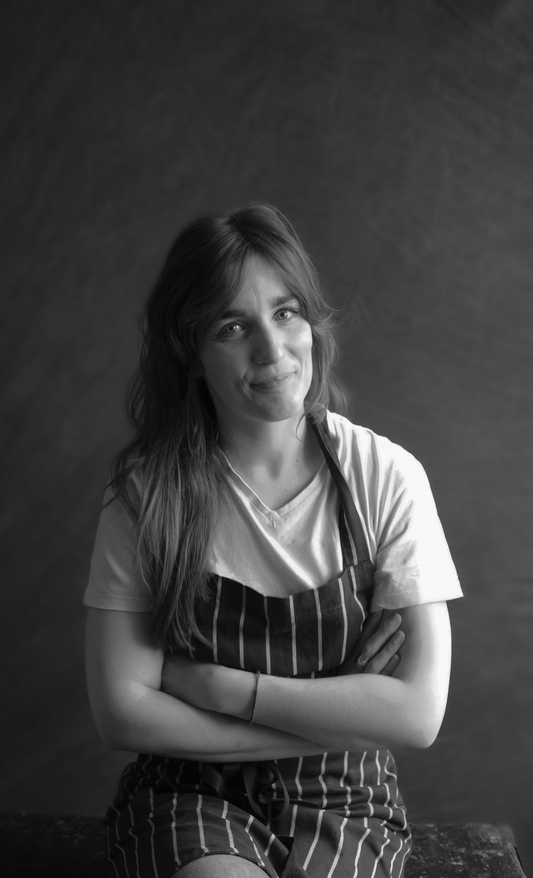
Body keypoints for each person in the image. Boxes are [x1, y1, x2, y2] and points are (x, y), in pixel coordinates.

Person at [84, 204, 462, 878]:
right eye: (233, 327)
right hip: (190, 791)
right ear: (189, 351)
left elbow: (417, 715)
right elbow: (124, 715)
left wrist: (219, 687)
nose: (272, 350)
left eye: (285, 312)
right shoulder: (147, 495)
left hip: (348, 798)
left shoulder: (385, 477)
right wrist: (342, 714)